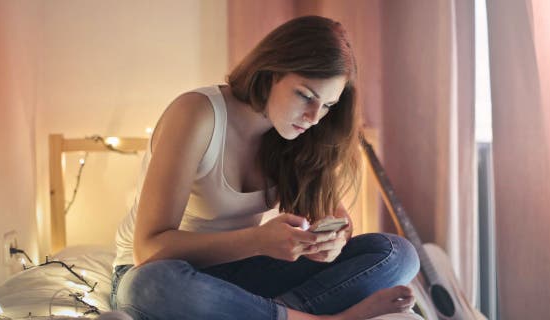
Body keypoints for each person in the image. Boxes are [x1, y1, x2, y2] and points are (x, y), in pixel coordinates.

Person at [110, 15, 420, 320]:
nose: (314, 117)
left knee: (397, 254)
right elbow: (148, 249)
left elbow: (334, 218)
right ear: (271, 72)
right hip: (165, 272)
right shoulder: (197, 114)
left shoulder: (296, 136)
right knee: (149, 287)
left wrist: (331, 242)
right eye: (305, 96)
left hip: (240, 275)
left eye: (327, 105)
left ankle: (269, 312)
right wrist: (258, 240)